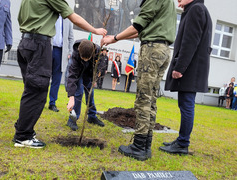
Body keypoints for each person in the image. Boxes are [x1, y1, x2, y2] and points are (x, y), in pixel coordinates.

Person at [13, 0, 107, 148]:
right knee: (37, 91)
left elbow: (20, 18)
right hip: (39, 45)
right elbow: (73, 17)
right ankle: (23, 136)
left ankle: (23, 129)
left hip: (25, 42)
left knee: (30, 90)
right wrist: (95, 30)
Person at [101, 0, 176, 161]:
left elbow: (137, 26)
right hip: (163, 50)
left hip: (151, 50)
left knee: (143, 99)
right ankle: (145, 146)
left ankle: (138, 147)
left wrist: (113, 38)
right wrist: (118, 38)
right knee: (151, 99)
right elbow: (141, 29)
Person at [159, 0, 212, 154]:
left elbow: (190, 42)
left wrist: (179, 67)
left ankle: (182, 144)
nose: (178, 1)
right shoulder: (197, 8)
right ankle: (182, 140)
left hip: (190, 69)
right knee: (185, 104)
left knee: (187, 104)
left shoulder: (196, 9)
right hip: (193, 68)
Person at [66, 39, 105, 131]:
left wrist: (94, 77)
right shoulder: (75, 56)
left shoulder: (97, 51)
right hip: (77, 73)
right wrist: (71, 98)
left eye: (87, 59)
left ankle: (92, 116)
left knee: (90, 93)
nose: (85, 60)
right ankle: (72, 119)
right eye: (83, 58)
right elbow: (72, 77)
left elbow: (98, 65)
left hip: (88, 73)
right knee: (78, 93)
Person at [48, 17, 74, 112]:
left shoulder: (67, 20)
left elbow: (71, 37)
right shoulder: (50, 15)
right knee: (44, 77)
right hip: (48, 49)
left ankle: (52, 103)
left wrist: (70, 51)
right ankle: (40, 101)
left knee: (57, 79)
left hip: (61, 52)